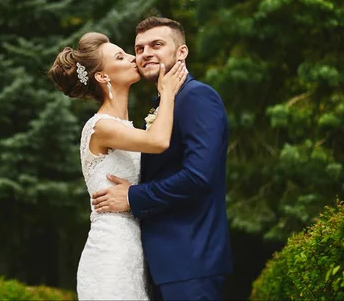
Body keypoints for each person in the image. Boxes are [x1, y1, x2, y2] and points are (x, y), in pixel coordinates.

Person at [91, 17, 233, 300]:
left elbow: (198, 177)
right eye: (139, 48)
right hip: (162, 262)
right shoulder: (164, 106)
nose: (145, 54)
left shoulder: (197, 97)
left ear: (182, 52)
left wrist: (133, 197)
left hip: (190, 257)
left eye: (157, 44)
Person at [48, 31, 187, 300]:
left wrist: (135, 192)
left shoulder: (125, 128)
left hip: (135, 249)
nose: (134, 58)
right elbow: (158, 141)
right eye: (120, 57)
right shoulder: (101, 126)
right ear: (102, 76)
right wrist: (167, 92)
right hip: (110, 253)